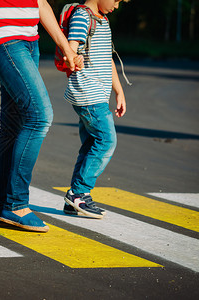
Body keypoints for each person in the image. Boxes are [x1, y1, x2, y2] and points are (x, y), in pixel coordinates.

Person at [0, 0, 83, 232]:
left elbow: (40, 2)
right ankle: (16, 203)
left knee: (13, 125)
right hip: (2, 37)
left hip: (30, 40)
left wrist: (65, 46)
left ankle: (2, 208)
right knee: (39, 116)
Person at [61, 0, 128, 218]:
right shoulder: (82, 17)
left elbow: (107, 59)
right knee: (106, 140)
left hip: (95, 95)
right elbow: (71, 48)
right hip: (88, 95)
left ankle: (74, 198)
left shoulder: (102, 20)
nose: (117, 6)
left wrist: (119, 91)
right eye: (116, 0)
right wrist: (73, 57)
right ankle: (79, 193)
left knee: (91, 143)